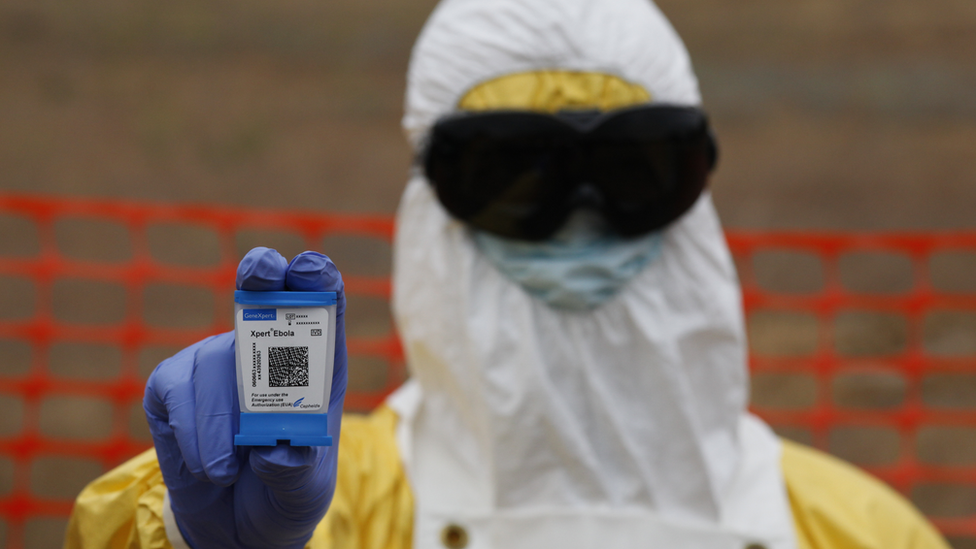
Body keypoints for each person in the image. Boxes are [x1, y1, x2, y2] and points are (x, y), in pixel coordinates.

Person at [65, 0, 951, 548]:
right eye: (514, 173)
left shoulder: (856, 531)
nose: (579, 215)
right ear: (433, 197)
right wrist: (184, 539)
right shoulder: (327, 513)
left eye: (636, 171)